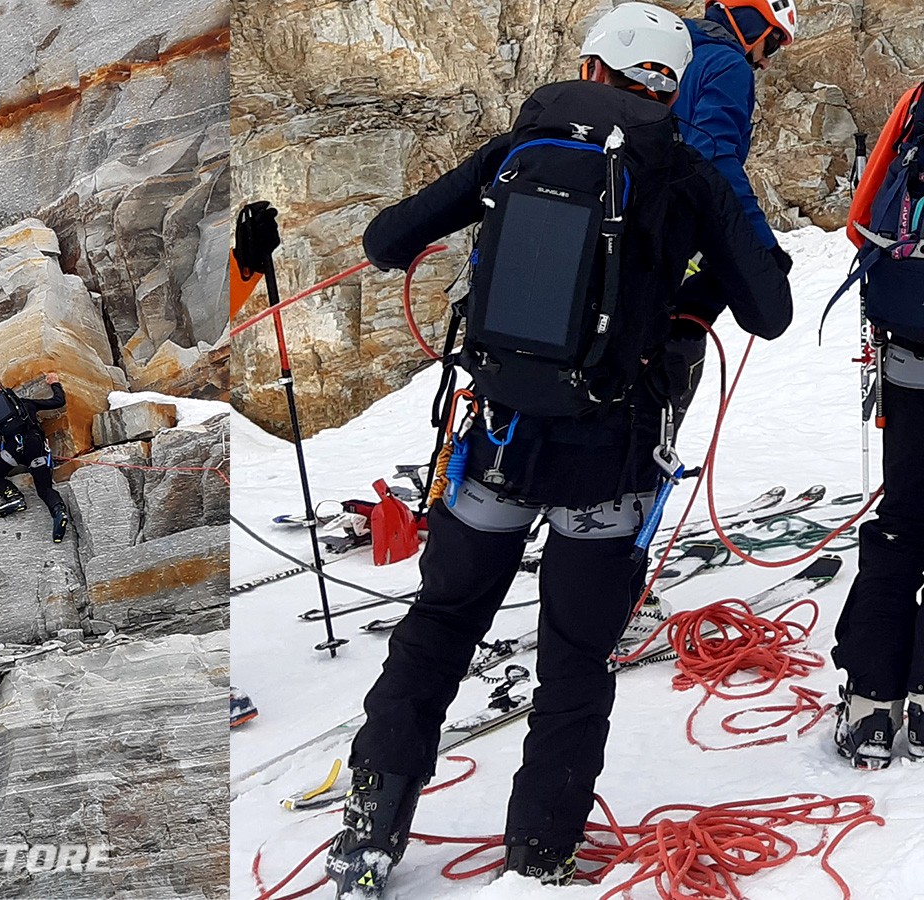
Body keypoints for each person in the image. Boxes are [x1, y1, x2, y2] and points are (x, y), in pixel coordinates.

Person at [323, 4, 793, 896]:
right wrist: (692, 301)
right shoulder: (688, 170)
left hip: (498, 442)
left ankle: (374, 822)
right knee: (575, 659)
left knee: (440, 626)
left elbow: (387, 239)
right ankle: (540, 851)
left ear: (591, 65)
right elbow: (770, 310)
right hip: (607, 462)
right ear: (673, 81)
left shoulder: (521, 144)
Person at [831, 82, 924, 770]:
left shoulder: (917, 102)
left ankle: (869, 702)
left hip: (907, 354)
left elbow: (861, 221)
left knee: (903, 516)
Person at [661, 0, 798, 430]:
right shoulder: (727, 64)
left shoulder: (673, 53)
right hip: (681, 232)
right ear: (753, 21)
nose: (767, 59)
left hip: (636, 225)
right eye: (772, 42)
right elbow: (715, 159)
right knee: (675, 353)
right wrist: (762, 245)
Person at [0, 372, 70, 543]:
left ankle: (14, 497)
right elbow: (59, 401)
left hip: (13, 452)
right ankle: (58, 512)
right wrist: (54, 383)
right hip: (36, 449)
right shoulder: (26, 404)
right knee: (44, 489)